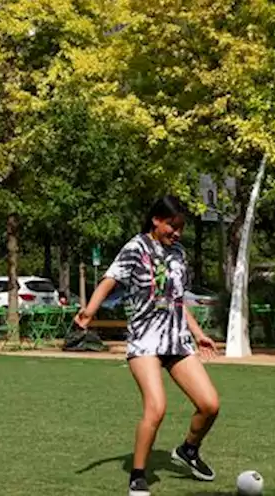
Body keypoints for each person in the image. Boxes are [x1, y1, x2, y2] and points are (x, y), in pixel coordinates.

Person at [75, 196, 220, 496]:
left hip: (176, 339)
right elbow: (108, 280)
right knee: (156, 408)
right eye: (172, 225)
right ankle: (138, 477)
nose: (176, 233)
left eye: (180, 228)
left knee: (210, 405)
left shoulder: (178, 253)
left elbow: (177, 300)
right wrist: (89, 311)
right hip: (145, 340)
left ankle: (189, 450)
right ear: (156, 220)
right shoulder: (135, 248)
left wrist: (198, 333)